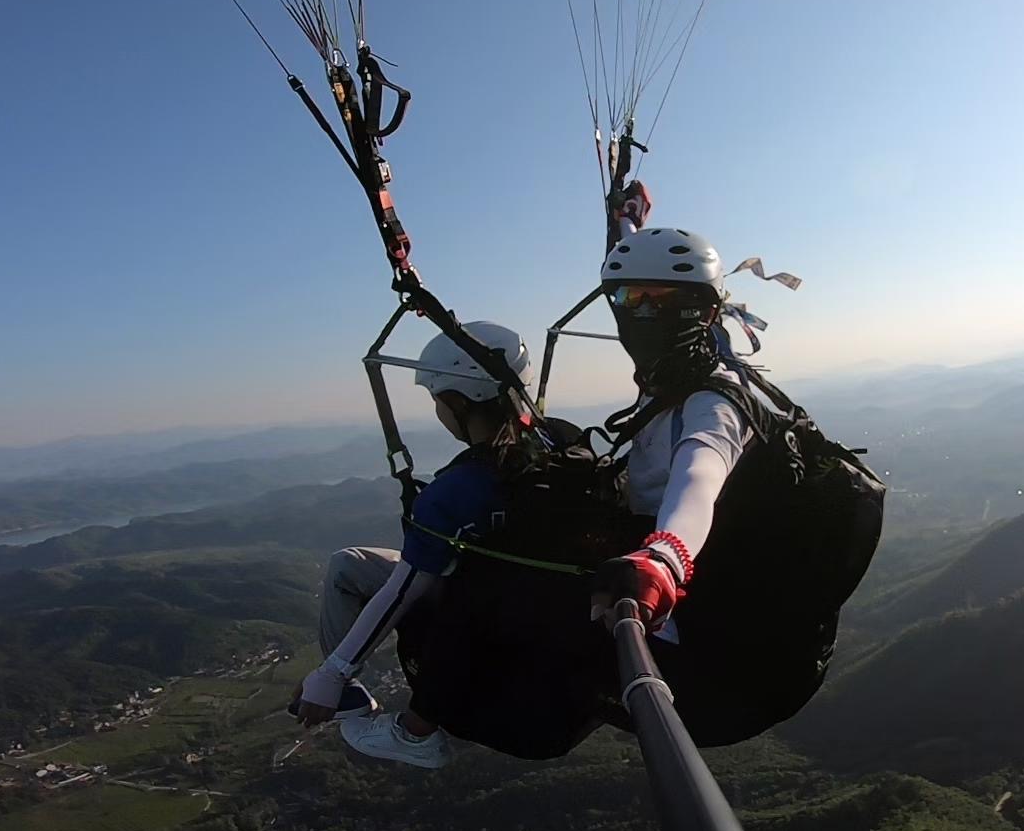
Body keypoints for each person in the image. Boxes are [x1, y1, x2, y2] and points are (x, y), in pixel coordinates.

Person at [291, 321, 535, 769]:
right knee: (353, 563)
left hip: (479, 600)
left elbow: (407, 587)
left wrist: (332, 673)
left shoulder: (457, 489)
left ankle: (354, 699)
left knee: (348, 568)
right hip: (526, 593)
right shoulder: (551, 443)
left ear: (457, 402)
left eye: (438, 401)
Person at [586, 226, 773, 746]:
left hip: (680, 603)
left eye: (662, 299)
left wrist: (664, 557)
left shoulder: (714, 400)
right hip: (650, 561)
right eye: (629, 298)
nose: (642, 312)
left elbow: (700, 473)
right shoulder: (671, 380)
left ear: (705, 310)